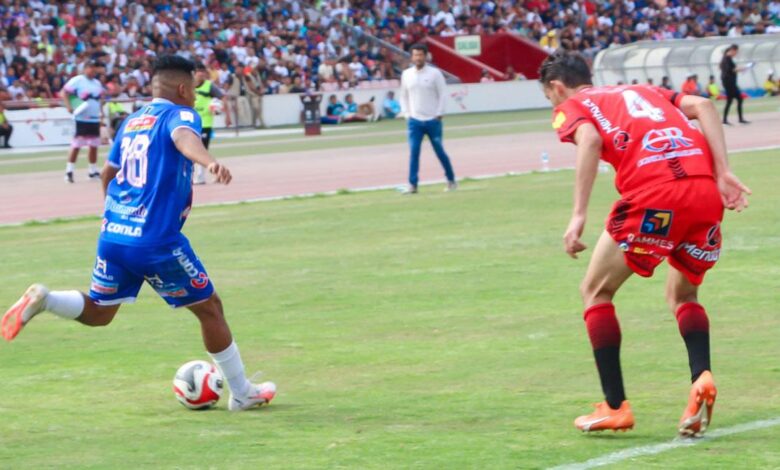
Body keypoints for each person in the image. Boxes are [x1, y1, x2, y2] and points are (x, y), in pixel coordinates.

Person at [1, 55, 276, 412]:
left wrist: (114, 218)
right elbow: (183, 139)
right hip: (156, 240)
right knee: (210, 309)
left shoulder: (132, 122)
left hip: (114, 235)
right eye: (193, 89)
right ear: (182, 88)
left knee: (101, 312)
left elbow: (106, 174)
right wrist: (208, 162)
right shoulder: (181, 115)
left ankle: (47, 299)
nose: (194, 96)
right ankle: (242, 393)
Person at [540, 51, 750, 436]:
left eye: (550, 96)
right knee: (684, 295)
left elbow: (588, 140)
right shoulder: (643, 89)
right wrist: (724, 172)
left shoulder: (573, 104)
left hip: (657, 196)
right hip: (705, 192)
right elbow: (703, 104)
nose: (554, 104)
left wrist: (578, 215)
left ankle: (615, 406)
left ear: (556, 87)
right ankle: (700, 377)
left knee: (595, 291)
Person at [400, 44, 457, 194]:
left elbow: (443, 94)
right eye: (415, 55)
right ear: (412, 57)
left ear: (426, 56)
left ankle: (451, 180)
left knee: (439, 151)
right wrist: (407, 114)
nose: (418, 58)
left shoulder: (435, 74)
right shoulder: (406, 74)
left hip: (433, 120)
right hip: (415, 121)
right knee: (414, 152)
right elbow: (403, 96)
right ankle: (413, 185)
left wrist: (439, 113)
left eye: (420, 55)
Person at [62, 60, 106, 183]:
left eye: (94, 68)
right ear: (85, 68)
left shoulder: (97, 83)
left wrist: (101, 113)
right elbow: (65, 93)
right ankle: (69, 171)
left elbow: (100, 99)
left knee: (94, 145)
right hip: (81, 117)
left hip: (94, 118)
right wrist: (69, 106)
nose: (92, 70)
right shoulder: (77, 80)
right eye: (90, 68)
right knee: (77, 145)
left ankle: (92, 171)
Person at [192, 62, 225, 184]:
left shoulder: (209, 86)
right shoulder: (189, 86)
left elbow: (222, 98)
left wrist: (218, 108)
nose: (201, 74)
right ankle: (214, 173)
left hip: (205, 123)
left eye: (203, 72)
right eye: (198, 71)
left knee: (202, 150)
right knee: (191, 151)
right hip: (191, 123)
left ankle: (201, 176)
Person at [720, 44, 749, 125]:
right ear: (733, 50)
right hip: (729, 83)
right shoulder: (727, 58)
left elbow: (731, 70)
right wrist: (741, 68)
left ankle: (727, 120)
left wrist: (739, 69)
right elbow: (730, 70)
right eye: (736, 51)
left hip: (730, 82)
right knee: (737, 99)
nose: (736, 53)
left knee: (731, 100)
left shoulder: (727, 58)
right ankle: (737, 119)